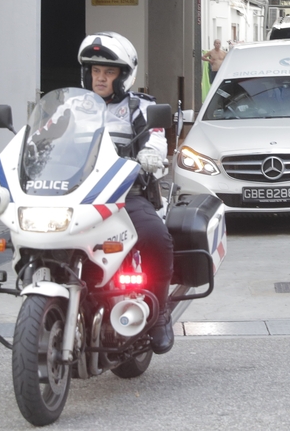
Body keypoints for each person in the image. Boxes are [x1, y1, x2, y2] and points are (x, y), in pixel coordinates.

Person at [77, 32, 175, 354]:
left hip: (123, 194)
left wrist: (151, 152)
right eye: (95, 71)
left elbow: (157, 135)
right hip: (76, 195)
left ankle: (159, 314)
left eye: (108, 72)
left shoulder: (139, 106)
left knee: (155, 235)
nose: (100, 78)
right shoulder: (73, 109)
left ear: (123, 76)